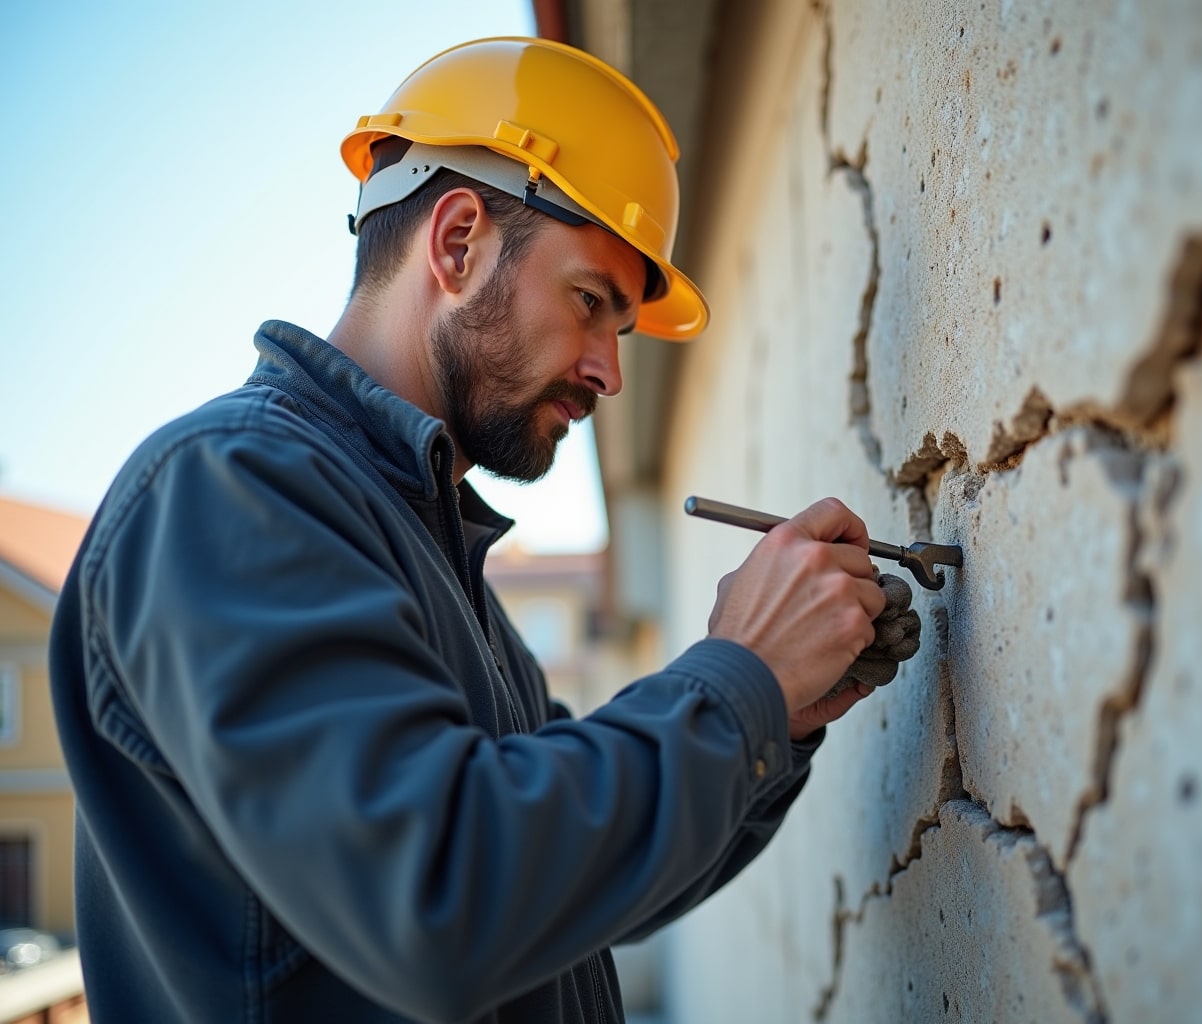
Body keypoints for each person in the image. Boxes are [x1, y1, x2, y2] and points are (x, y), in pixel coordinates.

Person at [48, 37, 886, 1023]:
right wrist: (740, 679)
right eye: (590, 302)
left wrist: (777, 713)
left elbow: (572, 887)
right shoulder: (226, 491)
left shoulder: (429, 557)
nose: (610, 372)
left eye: (619, 330)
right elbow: (437, 896)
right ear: (456, 244)